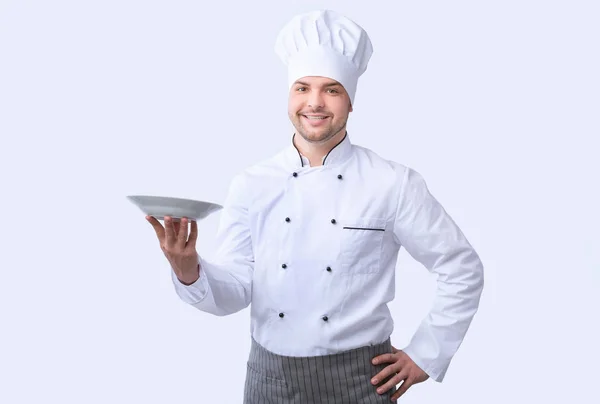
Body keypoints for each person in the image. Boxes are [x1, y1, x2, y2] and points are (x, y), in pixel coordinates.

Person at [146, 9, 484, 403]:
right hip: (269, 381)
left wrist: (426, 353)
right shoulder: (251, 184)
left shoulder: (393, 183)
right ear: (289, 96)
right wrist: (189, 271)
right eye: (302, 88)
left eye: (332, 89)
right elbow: (236, 290)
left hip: (361, 381)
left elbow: (461, 267)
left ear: (351, 101)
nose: (315, 103)